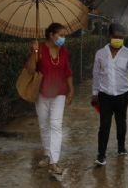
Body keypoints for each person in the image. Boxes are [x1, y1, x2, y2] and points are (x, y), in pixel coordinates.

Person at [92, 23, 128, 166]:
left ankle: (121, 147)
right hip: (105, 95)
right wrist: (94, 93)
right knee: (104, 126)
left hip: (122, 95)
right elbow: (96, 74)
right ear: (110, 36)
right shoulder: (100, 53)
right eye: (115, 37)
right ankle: (101, 155)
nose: (118, 40)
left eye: (121, 37)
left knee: (121, 123)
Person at [25, 22, 74, 176]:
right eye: (61, 35)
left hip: (59, 92)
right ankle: (47, 154)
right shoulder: (39, 48)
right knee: (44, 125)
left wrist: (71, 90)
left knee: (56, 125)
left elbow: (67, 71)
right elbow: (30, 70)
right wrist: (34, 53)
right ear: (51, 35)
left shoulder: (63, 51)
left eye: (64, 36)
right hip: (41, 93)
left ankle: (54, 161)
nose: (63, 38)